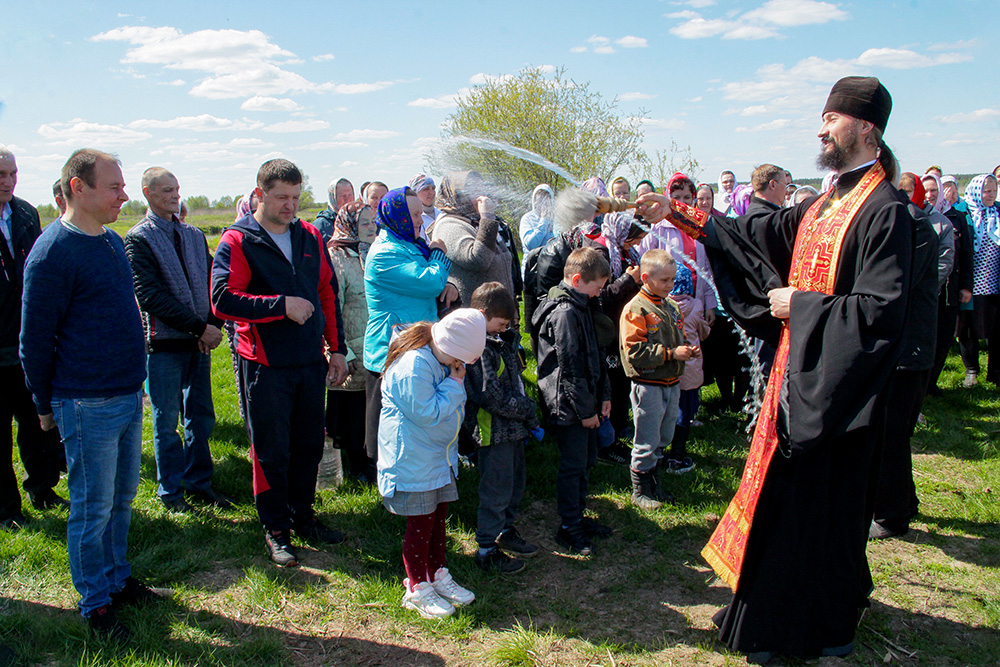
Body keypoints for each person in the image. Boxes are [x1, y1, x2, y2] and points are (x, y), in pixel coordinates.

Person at [637, 76, 913, 660]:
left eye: (831, 119)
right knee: (785, 504)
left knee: (820, 510)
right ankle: (772, 610)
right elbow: (754, 237)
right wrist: (681, 214)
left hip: (838, 395)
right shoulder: (826, 200)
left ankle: (809, 627)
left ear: (866, 128)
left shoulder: (885, 209)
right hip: (797, 377)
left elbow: (882, 312)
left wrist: (805, 306)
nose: (821, 129)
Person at [20, 149, 155, 639]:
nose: (124, 194)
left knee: (121, 498)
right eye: (115, 187)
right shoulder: (52, 251)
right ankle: (95, 603)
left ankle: (117, 579)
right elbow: (34, 339)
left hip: (124, 393)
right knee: (91, 506)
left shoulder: (112, 244)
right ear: (78, 187)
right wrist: (43, 405)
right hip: (84, 400)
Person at [211, 158, 348, 568]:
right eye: (281, 197)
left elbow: (327, 292)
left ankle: (303, 516)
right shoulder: (237, 240)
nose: (290, 206)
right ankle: (275, 529)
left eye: (295, 196)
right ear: (259, 194)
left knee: (308, 444)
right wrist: (279, 306)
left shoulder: (308, 235)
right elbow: (221, 299)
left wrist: (336, 348)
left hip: (309, 360)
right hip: (265, 364)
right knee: (271, 449)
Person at [124, 167, 231, 514]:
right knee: (166, 419)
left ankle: (199, 482)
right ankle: (170, 490)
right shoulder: (138, 238)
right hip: (165, 345)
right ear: (147, 193)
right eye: (166, 190)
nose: (174, 196)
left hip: (199, 342)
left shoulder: (193, 235)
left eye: (177, 189)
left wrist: (212, 323)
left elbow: (214, 282)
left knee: (200, 417)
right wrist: (198, 328)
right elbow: (150, 296)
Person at [377, 308, 486, 619]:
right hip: (413, 459)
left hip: (437, 455)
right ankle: (416, 586)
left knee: (439, 519)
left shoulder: (440, 360)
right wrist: (454, 383)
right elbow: (427, 413)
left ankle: (437, 572)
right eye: (462, 361)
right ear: (452, 350)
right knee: (420, 524)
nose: (463, 367)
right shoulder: (414, 367)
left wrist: (452, 379)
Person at [868, 169, 942, 540]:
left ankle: (891, 516)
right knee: (893, 432)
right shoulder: (907, 220)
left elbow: (889, 285)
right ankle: (904, 502)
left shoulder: (909, 225)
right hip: (905, 346)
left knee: (891, 433)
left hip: (907, 348)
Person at [363, 187, 457, 464]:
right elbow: (428, 281)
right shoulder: (385, 254)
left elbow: (427, 284)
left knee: (413, 420)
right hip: (389, 352)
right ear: (398, 216)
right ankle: (384, 481)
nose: (420, 219)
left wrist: (447, 283)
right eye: (414, 214)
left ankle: (414, 473)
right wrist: (439, 255)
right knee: (389, 424)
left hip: (413, 346)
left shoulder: (407, 245)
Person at [1, 146, 67, 531]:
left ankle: (43, 488)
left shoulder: (25, 213)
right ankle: (6, 509)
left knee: (37, 423)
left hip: (27, 338)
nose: (8, 182)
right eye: (0, 176)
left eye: (12, 174)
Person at [533, 247, 613, 557]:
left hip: (586, 403)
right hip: (568, 407)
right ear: (578, 280)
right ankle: (569, 526)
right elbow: (570, 367)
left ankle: (578, 515)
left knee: (587, 460)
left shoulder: (581, 305)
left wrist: (603, 397)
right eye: (597, 287)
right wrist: (584, 412)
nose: (599, 293)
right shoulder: (565, 313)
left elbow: (594, 355)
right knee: (573, 466)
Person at [464, 282, 539, 574]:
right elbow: (488, 395)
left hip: (514, 430)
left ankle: (505, 530)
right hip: (492, 432)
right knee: (495, 488)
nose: (504, 328)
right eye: (501, 323)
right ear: (482, 315)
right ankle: (486, 547)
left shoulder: (501, 341)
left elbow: (516, 381)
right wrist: (525, 409)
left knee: (514, 483)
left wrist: (527, 420)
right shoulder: (478, 348)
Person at [619, 250, 698, 509]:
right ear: (645, 278)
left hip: (671, 382)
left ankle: (654, 484)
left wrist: (686, 347)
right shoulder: (636, 309)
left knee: (664, 435)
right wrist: (671, 354)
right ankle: (639, 491)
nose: (670, 285)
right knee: (646, 438)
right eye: (664, 280)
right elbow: (633, 352)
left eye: (673, 279)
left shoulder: (671, 306)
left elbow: (678, 336)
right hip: (648, 384)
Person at [326, 204, 378, 484]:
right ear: (349, 225)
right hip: (352, 350)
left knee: (370, 409)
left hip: (373, 345)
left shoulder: (370, 253)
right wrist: (340, 351)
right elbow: (333, 308)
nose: (372, 227)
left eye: (373, 222)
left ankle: (370, 462)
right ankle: (357, 466)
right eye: (364, 223)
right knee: (353, 415)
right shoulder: (338, 258)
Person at [432, 171, 517, 326]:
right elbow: (478, 259)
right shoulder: (449, 224)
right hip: (473, 323)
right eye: (473, 190)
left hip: (494, 319)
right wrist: (487, 218)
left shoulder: (474, 221)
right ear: (458, 196)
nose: (481, 195)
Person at [957, 174, 1000, 387]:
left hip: (995, 282)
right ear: (976, 192)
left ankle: (996, 372)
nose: (991, 194)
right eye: (987, 191)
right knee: (968, 329)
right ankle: (971, 370)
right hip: (971, 283)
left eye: (994, 190)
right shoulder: (964, 214)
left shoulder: (998, 213)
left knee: (996, 328)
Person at [314, 178, 355, 246]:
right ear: (333, 198)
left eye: (350, 195)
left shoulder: (356, 221)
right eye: (343, 196)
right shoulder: (322, 224)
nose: (347, 199)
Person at [518, 184, 556, 255]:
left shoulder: (556, 219)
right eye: (539, 200)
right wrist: (543, 220)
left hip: (552, 263)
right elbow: (531, 245)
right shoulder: (527, 218)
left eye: (545, 200)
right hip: (533, 264)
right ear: (534, 201)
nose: (542, 204)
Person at [408, 173, 440, 239]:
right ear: (415, 192)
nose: (431, 193)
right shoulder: (412, 218)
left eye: (433, 188)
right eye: (426, 189)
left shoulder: (441, 214)